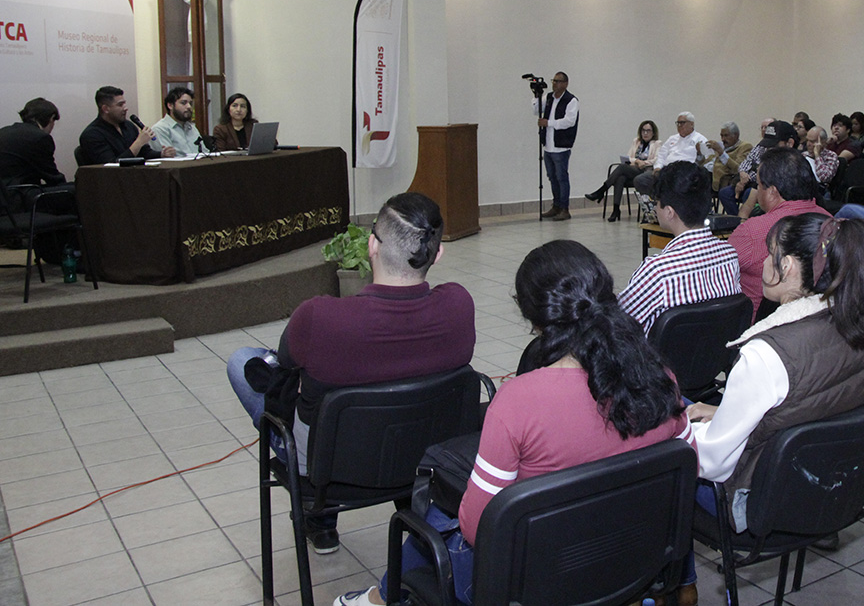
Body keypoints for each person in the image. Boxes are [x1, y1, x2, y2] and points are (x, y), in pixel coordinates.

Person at [335, 240, 697, 606]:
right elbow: (690, 466)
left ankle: (378, 598)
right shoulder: (659, 378)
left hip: (535, 586)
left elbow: (478, 529)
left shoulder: (517, 402)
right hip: (635, 565)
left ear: (534, 319)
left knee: (436, 517)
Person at [227, 192, 476, 553]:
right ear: (437, 254)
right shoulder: (459, 305)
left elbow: (286, 360)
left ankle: (321, 518)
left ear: (372, 245)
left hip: (326, 470)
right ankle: (412, 503)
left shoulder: (320, 317)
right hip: (425, 456)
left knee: (243, 360)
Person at [687, 214, 864, 533]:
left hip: (755, 499)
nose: (765, 263)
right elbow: (803, 406)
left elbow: (712, 462)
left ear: (788, 265)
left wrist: (671, 431)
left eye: (770, 254)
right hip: (831, 488)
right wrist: (724, 414)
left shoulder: (766, 355)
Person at [618, 160, 742, 333]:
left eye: (657, 202)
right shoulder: (729, 256)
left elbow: (617, 321)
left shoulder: (658, 270)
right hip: (716, 348)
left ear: (669, 212)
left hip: (661, 351)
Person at [727, 147, 829, 318]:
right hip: (817, 320)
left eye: (758, 185)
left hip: (756, 325)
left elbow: (717, 271)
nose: (757, 190)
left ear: (772, 192)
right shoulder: (829, 221)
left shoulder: (753, 231)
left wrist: (744, 212)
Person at [584, 119, 658, 221]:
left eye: (648, 131)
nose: (645, 133)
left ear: (653, 133)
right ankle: (616, 209)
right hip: (633, 170)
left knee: (622, 168)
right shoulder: (636, 142)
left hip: (645, 172)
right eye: (643, 130)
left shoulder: (657, 144)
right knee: (620, 178)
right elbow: (628, 158)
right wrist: (637, 161)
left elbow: (656, 160)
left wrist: (644, 163)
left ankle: (601, 191)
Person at [78, 85, 172, 165]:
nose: (125, 108)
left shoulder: (128, 126)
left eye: (124, 103)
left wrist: (162, 154)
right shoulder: (92, 134)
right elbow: (111, 166)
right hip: (108, 180)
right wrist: (139, 142)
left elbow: (145, 153)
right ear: (106, 109)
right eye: (120, 105)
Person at [634, 111, 711, 200]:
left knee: (673, 182)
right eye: (678, 123)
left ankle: (666, 202)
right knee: (641, 180)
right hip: (666, 170)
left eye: (682, 123)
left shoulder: (700, 139)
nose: (679, 126)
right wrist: (658, 167)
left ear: (691, 124)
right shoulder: (672, 139)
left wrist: (699, 154)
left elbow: (706, 161)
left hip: (685, 173)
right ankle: (658, 202)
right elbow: (661, 155)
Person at [536, 71, 578, 221]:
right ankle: (556, 206)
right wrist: (536, 94)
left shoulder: (571, 100)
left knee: (561, 178)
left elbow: (569, 121)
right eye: (553, 81)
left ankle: (564, 209)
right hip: (548, 145)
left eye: (558, 81)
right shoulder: (549, 98)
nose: (555, 84)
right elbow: (536, 110)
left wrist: (549, 123)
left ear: (565, 84)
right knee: (552, 177)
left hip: (561, 146)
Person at [0, 97, 66, 191]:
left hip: (5, 194)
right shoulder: (40, 138)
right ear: (51, 118)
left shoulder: (3, 131)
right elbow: (52, 177)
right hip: (22, 193)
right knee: (75, 190)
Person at [151, 86, 207, 156]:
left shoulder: (192, 128)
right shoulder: (160, 129)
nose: (189, 107)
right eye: (183, 103)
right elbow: (167, 159)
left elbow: (205, 153)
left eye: (190, 103)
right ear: (170, 105)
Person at [709, 121, 754, 194]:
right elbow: (710, 162)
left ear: (736, 135)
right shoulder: (722, 146)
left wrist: (721, 153)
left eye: (726, 136)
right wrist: (700, 154)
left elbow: (739, 168)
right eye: (721, 136)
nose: (723, 139)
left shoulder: (745, 147)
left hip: (728, 182)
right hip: (712, 179)